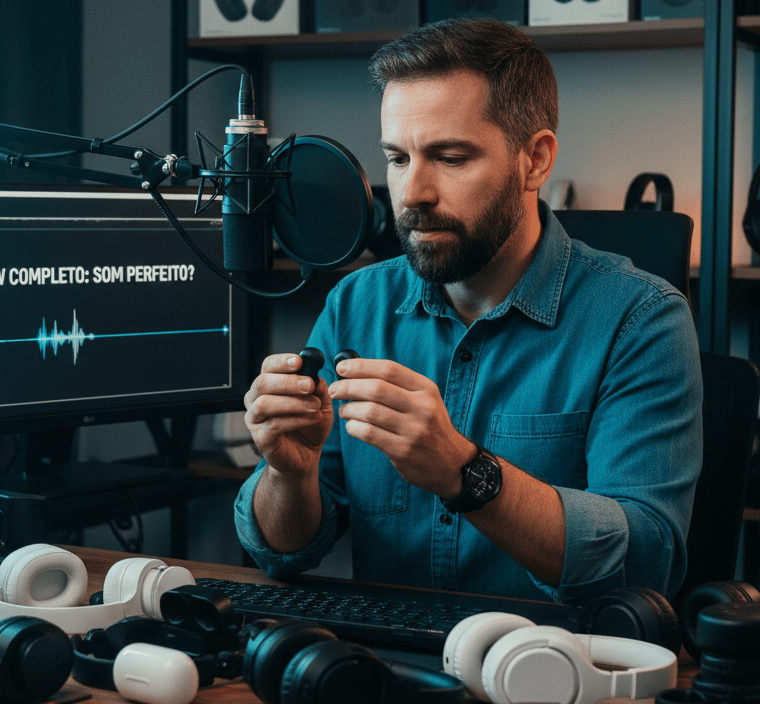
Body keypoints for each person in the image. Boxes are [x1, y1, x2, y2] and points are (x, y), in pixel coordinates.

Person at [233, 17, 703, 606]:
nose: (411, 194)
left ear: (534, 160)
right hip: (381, 673)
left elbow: (647, 562)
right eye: (397, 158)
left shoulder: (641, 320)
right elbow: (284, 551)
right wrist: (289, 475)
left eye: (450, 157)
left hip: (553, 671)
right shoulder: (356, 305)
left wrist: (464, 472)